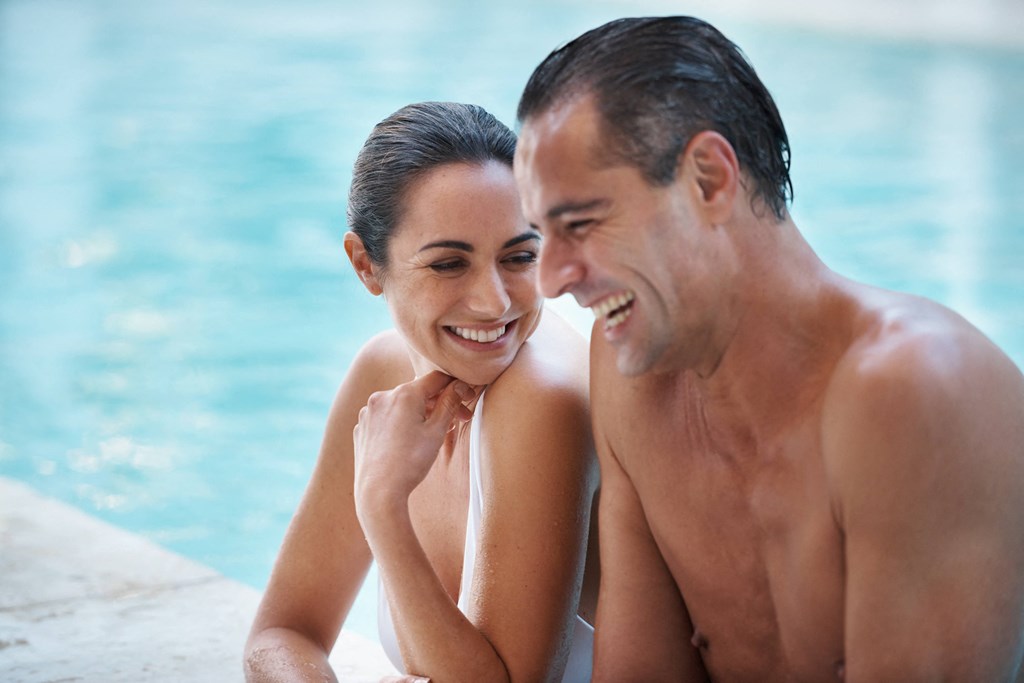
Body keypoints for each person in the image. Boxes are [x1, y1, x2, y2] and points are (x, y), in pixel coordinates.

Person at [513, 16, 1024, 682]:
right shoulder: (633, 376)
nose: (550, 279)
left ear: (708, 179)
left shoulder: (914, 390)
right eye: (542, 237)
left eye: (579, 224)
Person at [245, 101, 598, 683]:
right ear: (366, 265)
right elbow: (282, 634)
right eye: (448, 264)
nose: (495, 302)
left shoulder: (543, 397)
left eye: (519, 256)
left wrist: (382, 510)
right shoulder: (383, 374)